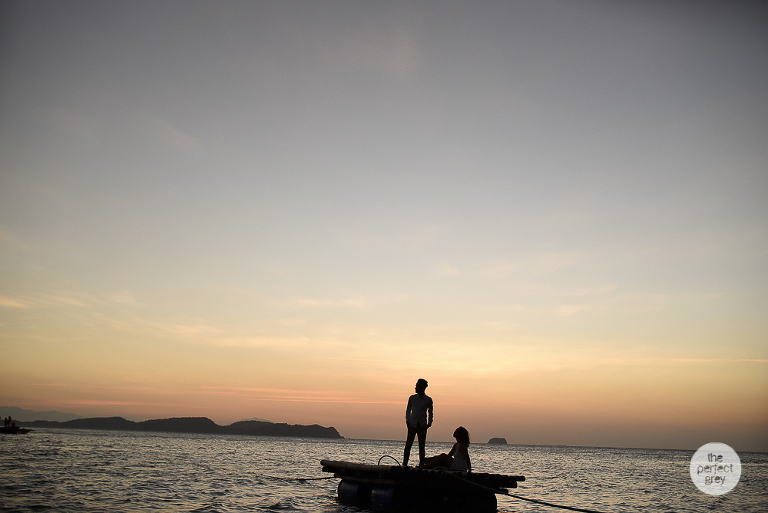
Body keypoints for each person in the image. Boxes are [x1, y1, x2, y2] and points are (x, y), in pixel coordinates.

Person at [403, 378, 433, 467]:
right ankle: (404, 464)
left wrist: (429, 423)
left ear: (422, 387)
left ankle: (421, 464)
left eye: (417, 386)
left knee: (421, 446)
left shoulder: (428, 399)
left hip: (422, 424)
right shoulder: (412, 398)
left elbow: (430, 412)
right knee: (408, 444)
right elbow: (408, 410)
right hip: (412, 424)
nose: (415, 387)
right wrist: (408, 421)